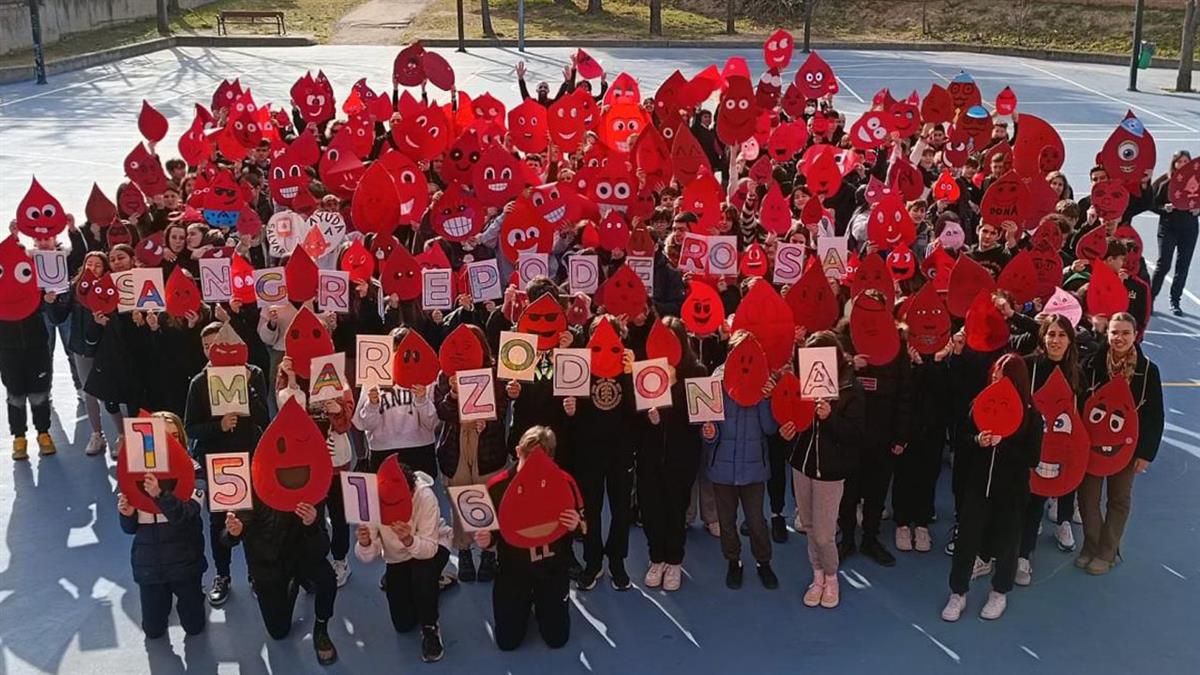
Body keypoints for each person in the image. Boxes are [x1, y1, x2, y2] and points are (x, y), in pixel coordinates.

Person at [943, 354, 1042, 622]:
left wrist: (1004, 445)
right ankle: (958, 593)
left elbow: (1032, 457)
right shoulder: (980, 404)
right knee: (967, 539)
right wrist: (977, 440)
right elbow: (961, 438)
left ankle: (1000, 591)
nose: (997, 379)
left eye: (1003, 375)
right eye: (995, 374)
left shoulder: (1031, 415)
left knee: (1009, 541)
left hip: (1010, 491)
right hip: (977, 487)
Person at [184, 321, 270, 607]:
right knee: (220, 520)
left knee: (250, 519)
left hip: (248, 457)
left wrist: (249, 390)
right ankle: (222, 575)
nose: (212, 350)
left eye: (217, 344)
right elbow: (191, 428)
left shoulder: (253, 374)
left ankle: (256, 575)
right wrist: (218, 426)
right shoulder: (199, 383)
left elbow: (263, 419)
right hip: (217, 461)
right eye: (207, 346)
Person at [476, 426, 583, 651]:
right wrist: (487, 541)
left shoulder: (564, 481)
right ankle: (524, 606)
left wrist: (576, 525)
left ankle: (546, 605)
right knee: (507, 642)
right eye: (528, 457)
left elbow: (583, 525)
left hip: (552, 570)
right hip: (513, 572)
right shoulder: (497, 486)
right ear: (517, 451)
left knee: (557, 639)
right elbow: (492, 533)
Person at [1076, 312, 1164, 575]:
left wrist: (1146, 453)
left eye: (1125, 332)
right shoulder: (1092, 365)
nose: (1119, 338)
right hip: (1092, 445)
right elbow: (1079, 402)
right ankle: (1091, 545)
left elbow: (1154, 415)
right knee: (1088, 498)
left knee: (1119, 499)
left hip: (1126, 448)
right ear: (1107, 334)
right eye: (1114, 332)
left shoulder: (1147, 370)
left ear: (1135, 335)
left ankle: (1107, 551)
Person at [786, 331, 864, 608]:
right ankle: (816, 577)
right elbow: (795, 420)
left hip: (831, 471)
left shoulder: (851, 388)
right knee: (808, 527)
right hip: (802, 465)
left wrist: (829, 418)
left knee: (824, 533)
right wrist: (790, 428)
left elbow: (854, 434)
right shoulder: (802, 384)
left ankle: (832, 579)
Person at [116, 412, 207, 639]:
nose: (170, 442)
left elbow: (187, 514)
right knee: (153, 631)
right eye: (164, 437)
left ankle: (195, 598)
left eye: (175, 436)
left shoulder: (194, 470)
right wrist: (126, 514)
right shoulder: (136, 473)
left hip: (184, 562)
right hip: (149, 564)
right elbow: (129, 528)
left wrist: (159, 495)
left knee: (194, 627)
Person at [702, 329, 780, 591]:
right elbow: (708, 430)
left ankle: (763, 562)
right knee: (726, 522)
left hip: (754, 468)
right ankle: (733, 562)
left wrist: (767, 400)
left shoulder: (763, 381)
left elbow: (770, 429)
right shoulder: (716, 381)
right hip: (722, 467)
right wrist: (709, 433)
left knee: (756, 521)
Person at [223, 496, 340, 665]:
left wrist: (312, 525)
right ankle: (293, 585)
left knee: (327, 578)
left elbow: (321, 548)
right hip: (268, 564)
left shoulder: (310, 486)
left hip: (302, 556)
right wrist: (234, 532)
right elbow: (225, 539)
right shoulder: (250, 486)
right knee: (278, 632)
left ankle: (321, 628)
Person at [355, 463, 452, 663]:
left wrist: (409, 540)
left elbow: (429, 549)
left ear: (411, 490)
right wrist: (364, 543)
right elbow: (367, 556)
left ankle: (430, 628)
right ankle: (435, 585)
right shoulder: (372, 502)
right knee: (403, 624)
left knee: (422, 577)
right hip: (397, 558)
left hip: (431, 548)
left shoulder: (425, 498)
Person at [635, 317, 706, 591]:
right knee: (651, 509)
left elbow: (700, 416)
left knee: (676, 509)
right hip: (649, 456)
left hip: (682, 456)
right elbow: (634, 410)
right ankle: (656, 558)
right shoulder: (646, 371)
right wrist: (647, 418)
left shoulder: (696, 372)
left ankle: (674, 561)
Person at [433, 324, 508, 583]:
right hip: (456, 447)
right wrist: (453, 393)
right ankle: (464, 551)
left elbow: (501, 406)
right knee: (461, 498)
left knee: (486, 499)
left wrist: (488, 421)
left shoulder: (495, 374)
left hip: (487, 447)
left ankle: (488, 552)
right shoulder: (445, 376)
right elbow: (443, 413)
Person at [1015, 315, 1084, 586]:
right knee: (1028, 501)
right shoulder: (1028, 366)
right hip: (1030, 447)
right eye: (1051, 334)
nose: (1055, 340)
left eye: (1061, 335)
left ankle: (1054, 530)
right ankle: (1018, 553)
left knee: (1051, 495)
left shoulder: (1077, 372)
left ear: (1070, 340)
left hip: (1059, 449)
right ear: (1042, 337)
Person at [354, 327, 439, 476]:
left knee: (421, 497)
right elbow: (364, 424)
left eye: (404, 352)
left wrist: (422, 400)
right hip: (383, 449)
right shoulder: (372, 376)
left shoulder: (426, 378)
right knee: (388, 498)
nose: (399, 357)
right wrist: (372, 405)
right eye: (395, 351)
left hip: (420, 448)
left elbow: (432, 424)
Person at [1150, 150, 1199, 316]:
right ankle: (1150, 299)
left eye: (1186, 161)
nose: (1183, 164)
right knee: (1163, 264)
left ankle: (1175, 301)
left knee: (1182, 266)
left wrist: (1198, 210)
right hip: (1168, 228)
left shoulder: (1197, 182)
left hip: (1189, 229)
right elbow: (1152, 204)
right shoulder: (1165, 183)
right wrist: (1165, 208)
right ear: (1174, 163)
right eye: (1180, 161)